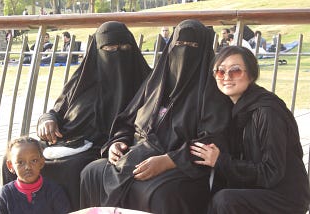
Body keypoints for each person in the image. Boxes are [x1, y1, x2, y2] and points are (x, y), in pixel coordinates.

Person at [80, 19, 232, 214]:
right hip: (137, 154)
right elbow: (128, 120)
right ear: (170, 48)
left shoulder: (211, 93)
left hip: (182, 166)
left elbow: (212, 140)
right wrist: (116, 143)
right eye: (179, 45)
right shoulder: (154, 83)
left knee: (158, 193)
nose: (184, 51)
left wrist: (168, 160)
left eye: (192, 46)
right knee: (91, 172)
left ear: (203, 52)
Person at [2, 21, 151, 212]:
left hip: (102, 146)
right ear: (97, 51)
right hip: (64, 141)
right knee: (12, 159)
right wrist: (47, 120)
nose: (117, 52)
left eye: (124, 47)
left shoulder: (146, 82)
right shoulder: (83, 79)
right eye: (109, 48)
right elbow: (57, 110)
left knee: (71, 169)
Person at [190, 46, 310, 214]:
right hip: (258, 188)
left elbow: (271, 172)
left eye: (235, 71)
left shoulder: (267, 111)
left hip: (285, 196)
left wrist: (221, 161)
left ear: (251, 74)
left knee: (224, 200)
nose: (226, 77)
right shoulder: (232, 108)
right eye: (220, 71)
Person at [0, 136, 71, 214]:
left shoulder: (53, 191)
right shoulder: (5, 195)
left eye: (34, 161)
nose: (28, 167)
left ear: (41, 162)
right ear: (11, 166)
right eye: (20, 162)